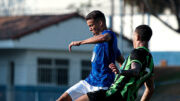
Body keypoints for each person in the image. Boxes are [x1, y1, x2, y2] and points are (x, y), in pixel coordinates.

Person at [56, 10, 124, 101]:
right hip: (88, 82)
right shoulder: (106, 45)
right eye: (89, 26)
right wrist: (121, 73)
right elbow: (122, 61)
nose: (90, 29)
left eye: (91, 25)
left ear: (100, 23)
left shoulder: (109, 35)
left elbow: (104, 37)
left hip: (102, 85)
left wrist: (80, 42)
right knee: (62, 99)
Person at [75, 25, 154, 101]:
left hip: (114, 94)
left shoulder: (137, 52)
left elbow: (136, 71)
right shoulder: (150, 62)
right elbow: (150, 89)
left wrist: (120, 72)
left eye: (133, 36)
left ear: (137, 37)